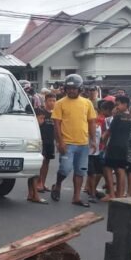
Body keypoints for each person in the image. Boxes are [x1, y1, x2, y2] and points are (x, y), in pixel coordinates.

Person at [50, 74, 96, 207]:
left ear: (80, 89)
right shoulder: (60, 104)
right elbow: (57, 124)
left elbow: (91, 122)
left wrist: (93, 140)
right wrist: (60, 142)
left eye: (74, 88)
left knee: (80, 171)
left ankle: (76, 197)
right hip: (67, 143)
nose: (71, 91)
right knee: (65, 169)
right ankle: (57, 185)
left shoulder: (87, 103)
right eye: (68, 88)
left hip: (83, 143)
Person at [101, 96, 131, 202]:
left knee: (107, 168)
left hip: (114, 145)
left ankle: (112, 194)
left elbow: (109, 132)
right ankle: (120, 194)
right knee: (121, 169)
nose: (116, 107)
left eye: (118, 104)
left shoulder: (118, 117)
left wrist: (103, 141)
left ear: (125, 104)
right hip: (125, 146)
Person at [36, 93, 57, 193]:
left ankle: (43, 183)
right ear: (45, 101)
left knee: (47, 163)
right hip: (42, 141)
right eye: (50, 101)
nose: (52, 103)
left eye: (54, 101)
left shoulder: (56, 114)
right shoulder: (42, 112)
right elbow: (38, 124)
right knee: (41, 162)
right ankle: (38, 183)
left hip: (50, 141)